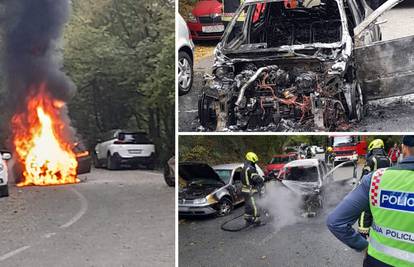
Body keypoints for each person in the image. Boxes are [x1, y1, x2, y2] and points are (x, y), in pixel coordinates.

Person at [327, 136, 414, 267]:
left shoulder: (374, 174)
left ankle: (363, 233)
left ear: (404, 149)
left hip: (377, 260)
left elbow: (335, 221)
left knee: (366, 215)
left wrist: (362, 245)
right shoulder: (388, 158)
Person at [358, 139, 391, 238]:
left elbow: (365, 175)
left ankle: (362, 233)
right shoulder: (388, 159)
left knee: (365, 210)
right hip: (384, 190)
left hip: (372, 188)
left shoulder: (372, 159)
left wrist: (359, 186)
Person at [242, 152, 265, 226]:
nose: (254, 163)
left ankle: (248, 220)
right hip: (251, 191)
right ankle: (256, 220)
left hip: (245, 190)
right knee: (255, 205)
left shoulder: (244, 167)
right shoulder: (250, 168)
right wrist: (262, 180)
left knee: (248, 205)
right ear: (251, 160)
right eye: (254, 162)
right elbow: (256, 178)